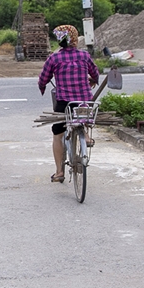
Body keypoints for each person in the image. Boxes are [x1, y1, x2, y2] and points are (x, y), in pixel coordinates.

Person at [37, 24, 99, 183]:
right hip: (84, 102)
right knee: (83, 112)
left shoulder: (54, 58)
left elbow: (43, 78)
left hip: (64, 102)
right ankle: (84, 133)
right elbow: (95, 73)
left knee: (57, 134)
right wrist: (93, 80)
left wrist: (42, 86)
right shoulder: (84, 56)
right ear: (74, 38)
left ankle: (59, 172)